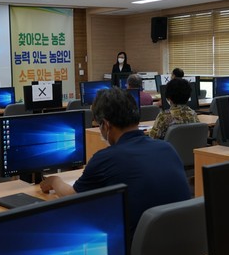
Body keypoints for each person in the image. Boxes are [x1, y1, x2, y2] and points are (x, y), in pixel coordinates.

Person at [40, 88, 190, 233]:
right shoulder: (167, 148)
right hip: (184, 243)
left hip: (138, 251)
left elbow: (73, 197)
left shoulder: (105, 158)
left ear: (106, 125)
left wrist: (54, 181)